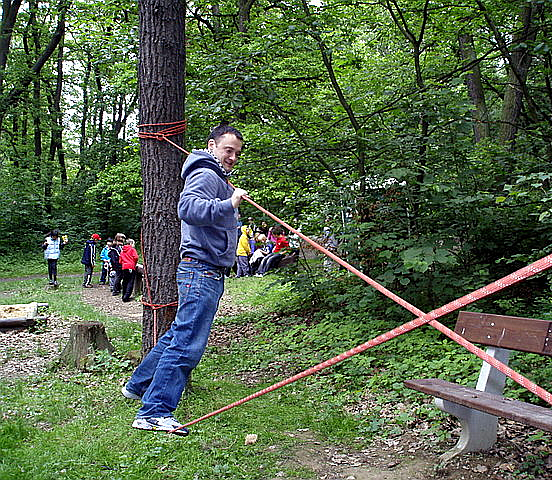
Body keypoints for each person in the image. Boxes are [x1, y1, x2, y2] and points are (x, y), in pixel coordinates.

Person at [122, 123, 248, 435]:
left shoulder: (215, 176)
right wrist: (229, 204)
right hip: (201, 270)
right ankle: (153, 412)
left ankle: (137, 386)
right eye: (227, 149)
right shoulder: (206, 172)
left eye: (237, 153)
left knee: (177, 335)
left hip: (204, 270)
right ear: (212, 146)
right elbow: (188, 208)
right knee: (187, 343)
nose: (231, 157)